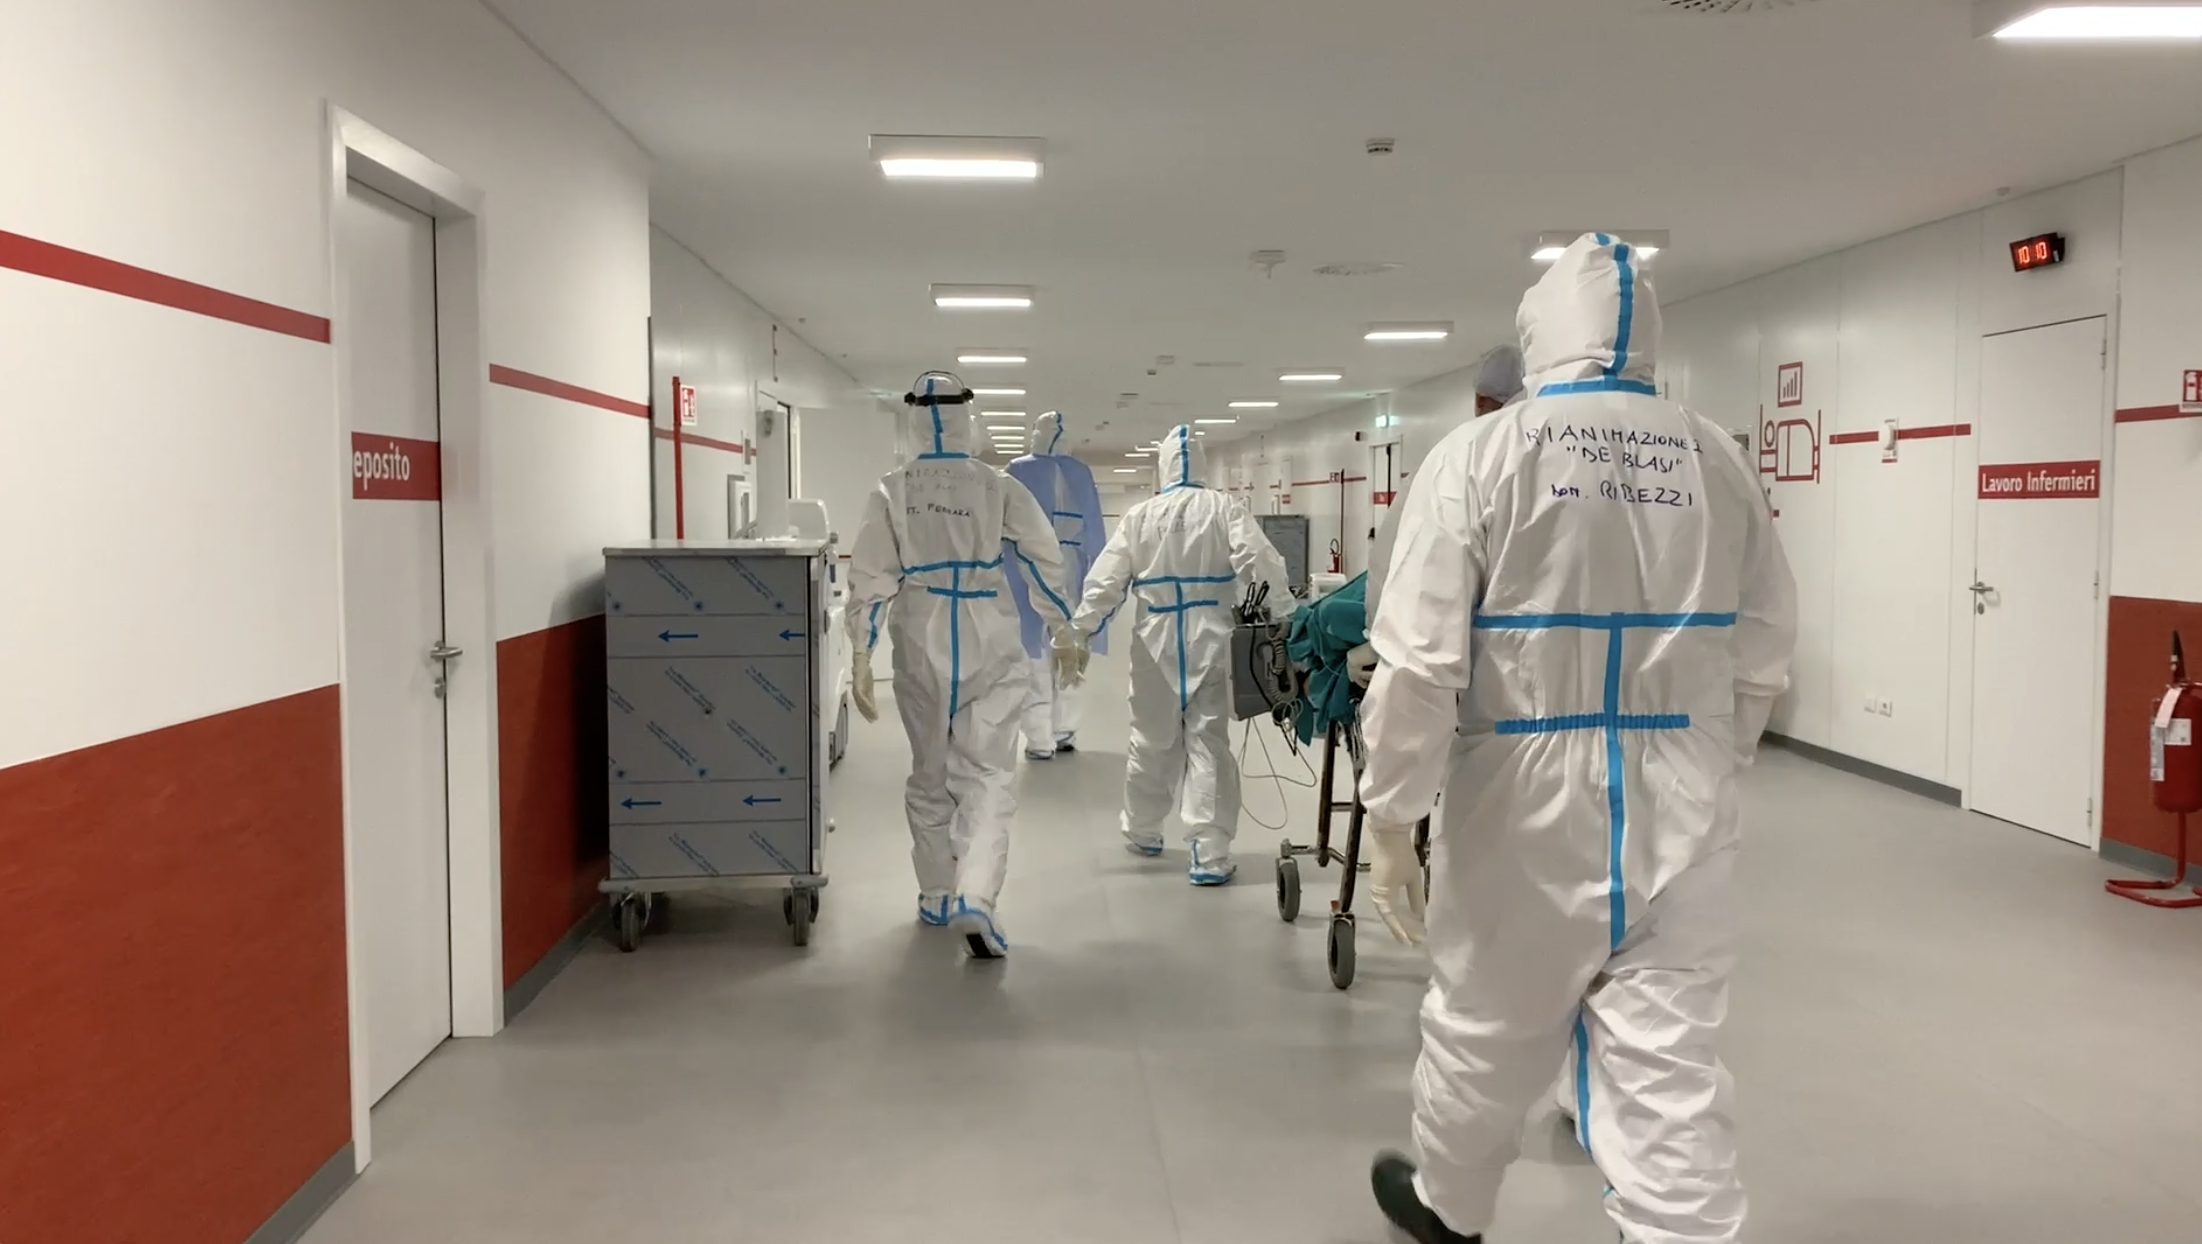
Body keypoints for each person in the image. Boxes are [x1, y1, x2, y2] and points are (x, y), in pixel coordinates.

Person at [1356, 234, 1797, 1244]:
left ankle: (1449, 1208)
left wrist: (1390, 815)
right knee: (1672, 1056)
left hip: (1523, 790)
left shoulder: (1482, 453)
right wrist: (1716, 758)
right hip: (1682, 792)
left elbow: (1419, 661)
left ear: (1540, 332)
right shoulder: (1714, 455)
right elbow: (1765, 642)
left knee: (1486, 1020)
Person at [845, 371, 1085, 959]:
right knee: (988, 773)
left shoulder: (893, 489)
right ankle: (974, 894)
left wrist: (861, 650)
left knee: (928, 770)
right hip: (986, 628)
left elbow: (871, 575)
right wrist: (1062, 627)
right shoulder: (993, 484)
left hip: (918, 631)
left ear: (912, 417)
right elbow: (1042, 555)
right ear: (965, 416)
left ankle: (935, 892)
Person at [1068, 425, 1295, 885]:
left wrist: (1080, 631)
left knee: (1151, 736)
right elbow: (1260, 563)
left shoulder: (1140, 516)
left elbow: (1106, 580)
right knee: (1208, 741)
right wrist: (1285, 616)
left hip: (1155, 638)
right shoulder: (1224, 508)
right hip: (1214, 636)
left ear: (1163, 465)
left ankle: (1143, 828)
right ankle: (1210, 853)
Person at [1005, 411, 1108, 759]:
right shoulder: (1080, 472)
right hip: (1071, 568)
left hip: (1023, 568)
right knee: (1071, 644)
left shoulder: (1017, 470)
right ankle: (1064, 729)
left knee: (1031, 649)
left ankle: (1038, 738)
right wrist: (1096, 576)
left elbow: (1003, 524)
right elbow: (1095, 531)